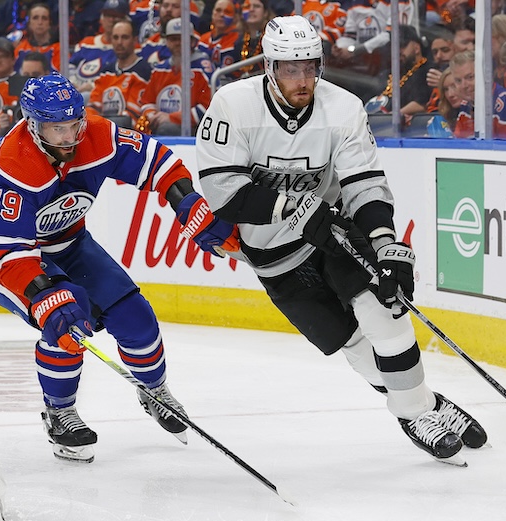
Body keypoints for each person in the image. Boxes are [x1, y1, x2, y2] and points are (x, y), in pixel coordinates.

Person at [195, 15, 488, 463]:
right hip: (272, 256)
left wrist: (386, 242)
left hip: (332, 234)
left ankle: (413, 414)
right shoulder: (233, 106)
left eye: (310, 67)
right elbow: (223, 195)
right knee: (351, 341)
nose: (302, 79)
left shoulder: (344, 107)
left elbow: (364, 182)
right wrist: (292, 208)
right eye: (290, 69)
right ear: (269, 68)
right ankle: (427, 405)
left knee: (382, 311)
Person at [0, 73, 239, 463]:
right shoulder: (13, 165)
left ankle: (154, 390)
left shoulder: (97, 135)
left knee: (136, 318)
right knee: (67, 316)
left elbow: (157, 160)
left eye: (75, 124)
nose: (70, 137)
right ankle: (60, 411)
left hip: (67, 241)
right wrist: (44, 296)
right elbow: (12, 253)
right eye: (57, 128)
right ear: (34, 126)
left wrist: (186, 201)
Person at [137, 18, 213, 134]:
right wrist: (152, 115)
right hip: (161, 124)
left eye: (182, 39)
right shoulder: (160, 69)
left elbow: (208, 109)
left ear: (192, 41)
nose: (178, 43)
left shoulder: (203, 69)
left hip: (195, 130)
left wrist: (172, 118)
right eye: (173, 39)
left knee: (166, 129)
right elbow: (147, 101)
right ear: (166, 42)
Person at [87, 19, 152, 123]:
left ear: (135, 40)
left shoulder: (143, 71)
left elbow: (132, 114)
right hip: (105, 126)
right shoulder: (106, 71)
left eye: (124, 37)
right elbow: (94, 104)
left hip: (128, 130)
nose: (119, 42)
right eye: (115, 37)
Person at [365, 25, 432, 118]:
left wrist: (391, 117)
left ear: (416, 47)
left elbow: (422, 104)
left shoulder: (427, 71)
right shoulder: (389, 73)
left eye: (402, 45)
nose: (398, 51)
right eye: (394, 47)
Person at [68, 0, 127, 93]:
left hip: (101, 94)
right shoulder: (86, 43)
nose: (111, 20)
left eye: (116, 16)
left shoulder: (124, 48)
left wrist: (93, 86)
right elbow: (70, 65)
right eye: (107, 15)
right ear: (101, 19)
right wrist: (72, 82)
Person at [13, 2, 62, 73]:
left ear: (50, 23)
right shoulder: (20, 49)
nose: (40, 22)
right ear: (29, 23)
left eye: (44, 18)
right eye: (35, 18)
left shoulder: (59, 50)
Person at [197, 0, 241, 72]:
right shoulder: (203, 39)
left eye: (227, 12)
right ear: (212, 13)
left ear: (235, 17)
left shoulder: (238, 40)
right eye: (218, 10)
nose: (222, 15)